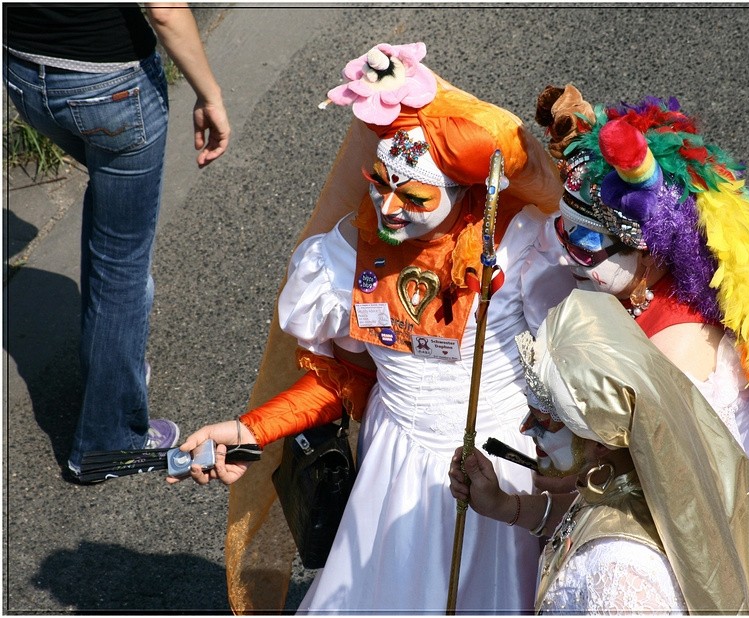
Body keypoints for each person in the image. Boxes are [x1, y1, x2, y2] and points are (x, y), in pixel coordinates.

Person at [463, 85, 749, 613]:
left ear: (653, 247)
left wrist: (543, 480)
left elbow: (646, 506)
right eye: (561, 233)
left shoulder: (677, 352)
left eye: (586, 242)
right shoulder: (646, 296)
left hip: (729, 545)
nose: (568, 258)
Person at [169, 43, 575, 613]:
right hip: (394, 467)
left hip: (501, 470)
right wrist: (253, 428)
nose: (387, 207)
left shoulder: (520, 245)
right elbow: (344, 381)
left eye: (413, 195)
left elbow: (575, 368)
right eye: (379, 182)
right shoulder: (342, 259)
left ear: (464, 193)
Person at [450, 290, 749, 613]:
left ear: (597, 438)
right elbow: (587, 518)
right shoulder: (634, 477)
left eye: (545, 420)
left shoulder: (619, 573)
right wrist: (502, 505)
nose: (524, 430)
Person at [3, 3, 231, 484]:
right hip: (110, 84)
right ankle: (107, 444)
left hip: (24, 72)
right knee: (123, 265)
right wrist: (209, 93)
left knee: (111, 226)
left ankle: (115, 372)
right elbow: (164, 9)